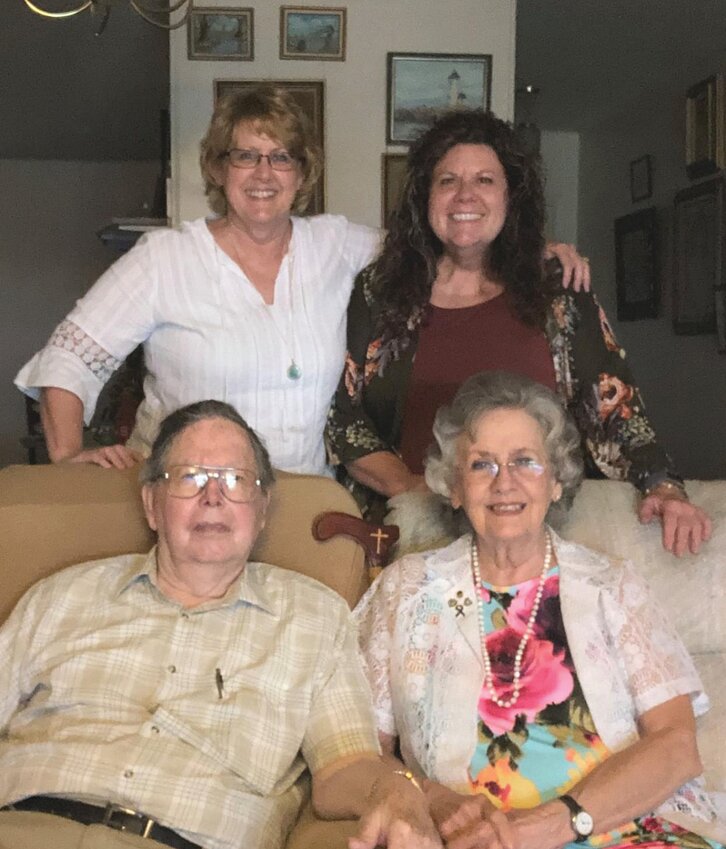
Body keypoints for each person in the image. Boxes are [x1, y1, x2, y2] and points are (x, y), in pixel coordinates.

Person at [15, 86, 586, 477]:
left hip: (305, 503)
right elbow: (69, 357)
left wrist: (532, 248)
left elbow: (441, 239)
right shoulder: (164, 258)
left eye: (282, 157)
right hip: (189, 504)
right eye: (246, 156)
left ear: (302, 172)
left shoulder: (336, 245)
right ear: (218, 167)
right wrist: (68, 458)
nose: (264, 174)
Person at [0, 400, 442, 849]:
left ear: (262, 509)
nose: (213, 497)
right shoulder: (63, 594)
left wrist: (395, 790)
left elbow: (344, 763)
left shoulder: (315, 616)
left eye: (235, 481)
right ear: (152, 503)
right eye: (190, 478)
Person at [354, 371, 723, 849]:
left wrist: (561, 822)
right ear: (454, 487)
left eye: (524, 462)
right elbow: (359, 750)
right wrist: (427, 796)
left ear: (555, 482)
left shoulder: (612, 586)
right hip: (471, 838)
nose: (504, 482)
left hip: (620, 828)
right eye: (482, 465)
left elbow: (676, 747)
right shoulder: (406, 590)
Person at [326, 109, 711, 556]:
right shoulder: (382, 292)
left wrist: (663, 487)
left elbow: (615, 406)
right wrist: (409, 486)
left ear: (512, 198)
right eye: (447, 181)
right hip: (415, 534)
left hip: (536, 535)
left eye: (485, 181)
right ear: (424, 198)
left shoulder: (558, 291)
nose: (465, 195)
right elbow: (345, 417)